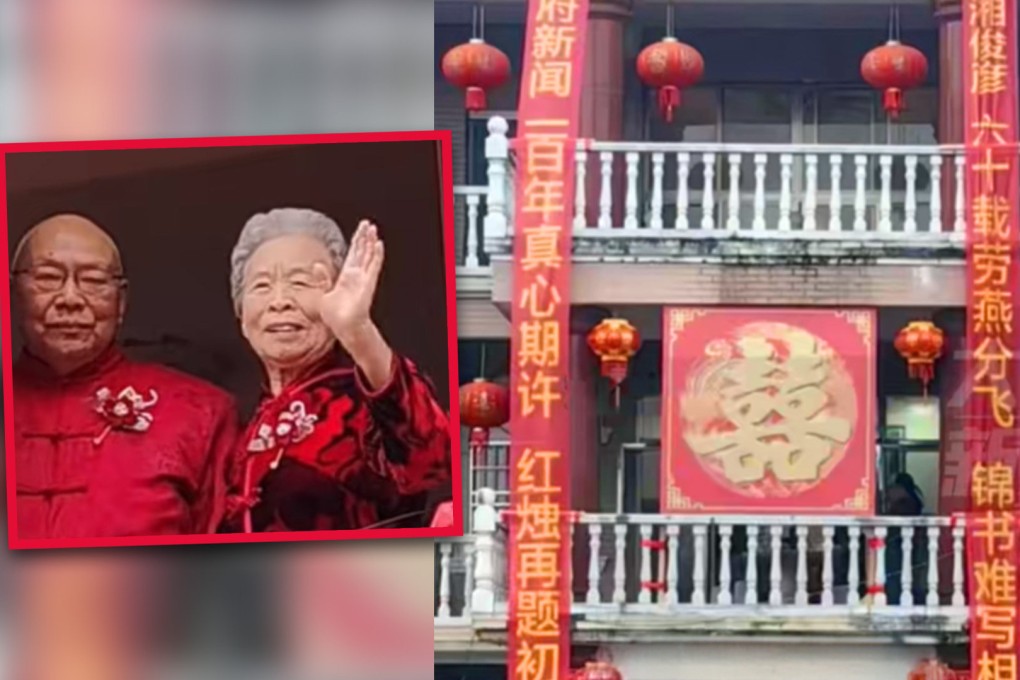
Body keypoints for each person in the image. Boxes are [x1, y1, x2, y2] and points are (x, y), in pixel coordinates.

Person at [10, 214, 240, 540]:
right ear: (15, 294)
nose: (71, 300)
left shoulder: (200, 411)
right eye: (47, 278)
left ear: (121, 302)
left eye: (93, 280)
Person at [222, 208, 450, 532]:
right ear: (241, 315)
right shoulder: (234, 429)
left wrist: (358, 331)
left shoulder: (365, 401)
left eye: (300, 282)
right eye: (261, 286)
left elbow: (432, 458)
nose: (279, 301)